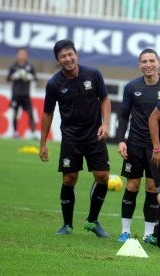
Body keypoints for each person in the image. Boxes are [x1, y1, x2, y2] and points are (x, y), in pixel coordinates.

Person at [39, 39, 111, 238]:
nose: (68, 59)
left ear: (76, 55)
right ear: (58, 60)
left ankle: (92, 221)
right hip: (71, 137)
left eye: (70, 54)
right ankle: (67, 225)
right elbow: (47, 113)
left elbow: (104, 98)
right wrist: (43, 143)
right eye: (63, 56)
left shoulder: (93, 74)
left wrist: (105, 124)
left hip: (94, 135)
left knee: (103, 176)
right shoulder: (54, 84)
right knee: (70, 178)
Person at [116, 49, 160, 244]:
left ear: (158, 63)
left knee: (152, 188)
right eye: (144, 61)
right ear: (140, 65)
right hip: (135, 144)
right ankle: (125, 231)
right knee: (132, 186)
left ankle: (148, 233)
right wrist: (121, 140)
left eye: (152, 61)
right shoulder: (131, 86)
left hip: (157, 147)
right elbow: (124, 115)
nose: (148, 64)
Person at [6, 48, 38, 139]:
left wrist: (29, 76)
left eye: (24, 54)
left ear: (26, 55)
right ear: (17, 55)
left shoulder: (29, 66)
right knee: (15, 114)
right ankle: (15, 133)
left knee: (30, 113)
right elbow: (8, 79)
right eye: (20, 54)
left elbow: (35, 78)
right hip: (16, 95)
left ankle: (32, 133)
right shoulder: (13, 66)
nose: (22, 56)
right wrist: (15, 76)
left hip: (26, 95)